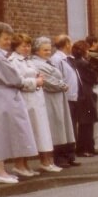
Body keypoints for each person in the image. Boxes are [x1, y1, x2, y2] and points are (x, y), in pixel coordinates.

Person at [0, 22, 40, 184]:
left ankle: (2, 170)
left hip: (4, 97)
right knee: (0, 133)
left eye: (9, 38)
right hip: (4, 98)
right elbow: (14, 78)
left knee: (3, 132)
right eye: (5, 39)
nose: (8, 42)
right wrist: (34, 82)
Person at [10, 33, 57, 176]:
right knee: (26, 133)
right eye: (23, 46)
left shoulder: (28, 60)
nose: (26, 48)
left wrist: (38, 78)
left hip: (36, 100)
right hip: (25, 101)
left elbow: (34, 75)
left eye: (28, 46)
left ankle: (32, 164)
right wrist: (36, 82)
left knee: (39, 132)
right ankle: (20, 165)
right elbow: (17, 81)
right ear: (16, 47)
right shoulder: (13, 61)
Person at [30, 36, 76, 169]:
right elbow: (48, 81)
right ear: (37, 51)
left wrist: (61, 85)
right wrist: (62, 85)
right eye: (45, 50)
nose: (48, 52)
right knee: (56, 126)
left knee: (62, 125)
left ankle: (67, 156)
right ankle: (59, 158)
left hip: (58, 97)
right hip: (50, 98)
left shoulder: (47, 62)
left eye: (49, 49)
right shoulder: (37, 64)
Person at [50, 35, 80, 167]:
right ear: (66, 44)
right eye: (70, 42)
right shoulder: (57, 59)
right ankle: (60, 157)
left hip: (73, 97)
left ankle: (70, 155)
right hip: (64, 98)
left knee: (71, 127)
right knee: (63, 128)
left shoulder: (68, 59)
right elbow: (57, 77)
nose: (72, 45)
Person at [68, 41, 98, 158]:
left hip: (80, 93)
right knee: (87, 122)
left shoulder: (73, 62)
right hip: (86, 92)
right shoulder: (84, 63)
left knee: (83, 122)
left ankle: (86, 147)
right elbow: (93, 78)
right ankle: (86, 148)